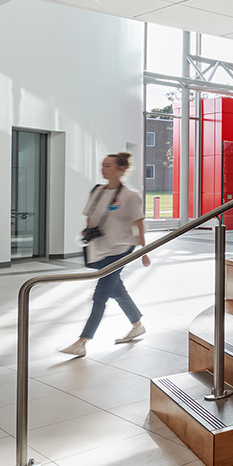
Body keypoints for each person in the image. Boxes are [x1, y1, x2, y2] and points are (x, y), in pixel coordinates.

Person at [60, 152, 149, 357]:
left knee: (100, 295)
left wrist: (144, 251)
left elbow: (139, 225)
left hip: (121, 250)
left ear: (121, 169)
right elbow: (91, 217)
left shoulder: (130, 196)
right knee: (116, 289)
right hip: (101, 248)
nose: (103, 169)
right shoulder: (97, 191)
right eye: (102, 165)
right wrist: (88, 229)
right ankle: (137, 323)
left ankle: (83, 341)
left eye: (108, 165)